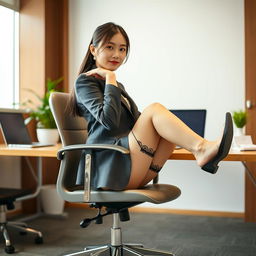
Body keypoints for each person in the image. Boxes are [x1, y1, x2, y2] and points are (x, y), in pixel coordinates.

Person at [69, 22, 233, 191]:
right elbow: (109, 121)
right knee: (154, 108)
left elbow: (136, 122)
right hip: (107, 168)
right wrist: (111, 79)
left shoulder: (116, 86)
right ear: (93, 50)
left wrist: (171, 131)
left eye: (122, 49)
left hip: (127, 165)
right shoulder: (85, 81)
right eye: (110, 47)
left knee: (164, 131)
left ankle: (200, 148)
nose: (117, 54)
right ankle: (201, 149)